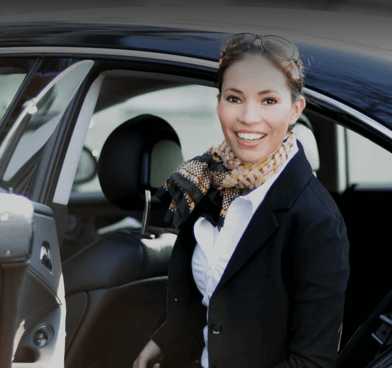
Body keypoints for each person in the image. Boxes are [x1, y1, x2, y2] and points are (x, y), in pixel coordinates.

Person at [133, 33, 350, 368]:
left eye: (268, 101)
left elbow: (312, 362)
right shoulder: (205, 180)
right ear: (218, 102)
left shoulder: (315, 220)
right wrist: (166, 339)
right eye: (235, 98)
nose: (249, 117)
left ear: (295, 109)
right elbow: (212, 300)